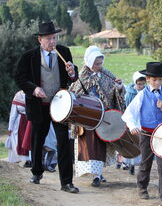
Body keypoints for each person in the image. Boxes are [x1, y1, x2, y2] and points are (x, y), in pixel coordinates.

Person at [15, 22, 79, 193]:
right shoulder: (29, 56)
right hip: (38, 105)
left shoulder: (64, 52)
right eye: (49, 39)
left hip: (60, 105)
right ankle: (36, 172)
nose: (53, 42)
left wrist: (72, 72)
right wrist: (34, 89)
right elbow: (20, 78)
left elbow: (73, 77)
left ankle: (66, 182)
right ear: (40, 40)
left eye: (54, 38)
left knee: (63, 142)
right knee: (38, 141)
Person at [122, 62, 162, 206]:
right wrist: (133, 126)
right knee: (145, 163)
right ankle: (142, 187)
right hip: (146, 134)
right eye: (154, 80)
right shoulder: (141, 95)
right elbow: (128, 114)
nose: (157, 82)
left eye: (160, 79)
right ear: (147, 79)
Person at [69, 45, 125, 187]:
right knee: (86, 145)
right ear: (89, 62)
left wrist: (118, 87)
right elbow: (74, 93)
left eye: (100, 63)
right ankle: (90, 172)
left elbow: (114, 92)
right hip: (85, 117)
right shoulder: (81, 75)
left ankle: (98, 175)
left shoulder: (106, 75)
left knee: (99, 146)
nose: (99, 66)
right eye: (96, 63)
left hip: (101, 117)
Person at [122, 71, 146, 175]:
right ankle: (129, 164)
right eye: (139, 84)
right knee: (131, 142)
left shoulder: (146, 92)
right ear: (135, 83)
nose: (141, 86)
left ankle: (140, 164)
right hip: (132, 120)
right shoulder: (130, 94)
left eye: (142, 84)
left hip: (141, 120)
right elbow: (127, 107)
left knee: (140, 142)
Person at [7, 90, 30, 163]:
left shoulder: (35, 94)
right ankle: (20, 159)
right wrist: (10, 127)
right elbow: (13, 113)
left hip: (32, 120)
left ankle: (29, 160)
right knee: (18, 139)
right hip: (20, 121)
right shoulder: (18, 95)